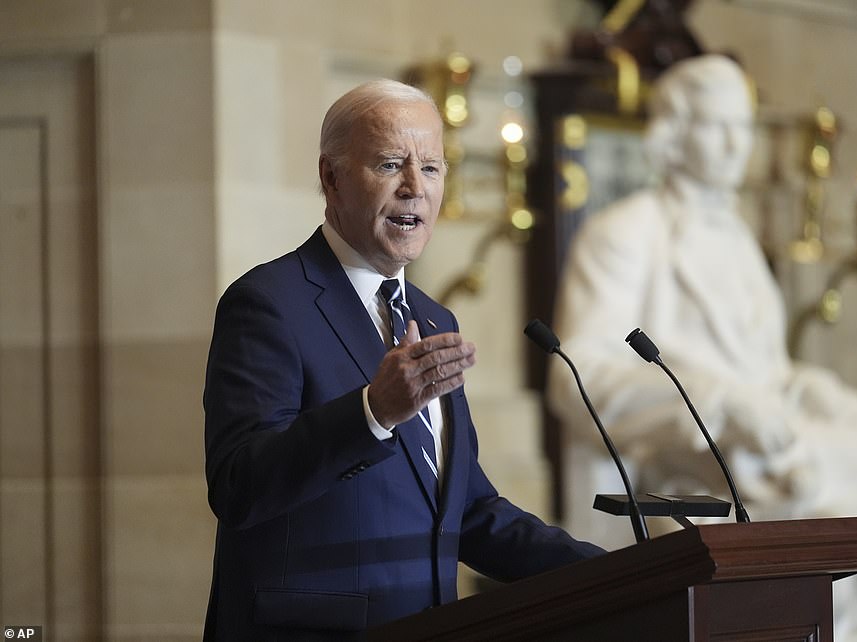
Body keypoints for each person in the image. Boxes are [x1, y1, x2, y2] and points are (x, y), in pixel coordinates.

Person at [548, 54, 857, 642]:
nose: (734, 144)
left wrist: (808, 387)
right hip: (709, 464)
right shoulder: (624, 233)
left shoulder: (740, 237)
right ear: (675, 131)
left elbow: (762, 368)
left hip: (781, 448)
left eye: (743, 126)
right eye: (716, 125)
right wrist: (719, 403)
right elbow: (578, 377)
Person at [203, 79, 604, 640]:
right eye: (391, 164)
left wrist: (611, 571)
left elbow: (465, 511)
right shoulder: (269, 304)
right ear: (331, 178)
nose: (415, 188)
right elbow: (238, 486)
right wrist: (372, 411)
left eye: (433, 169)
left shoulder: (434, 317)